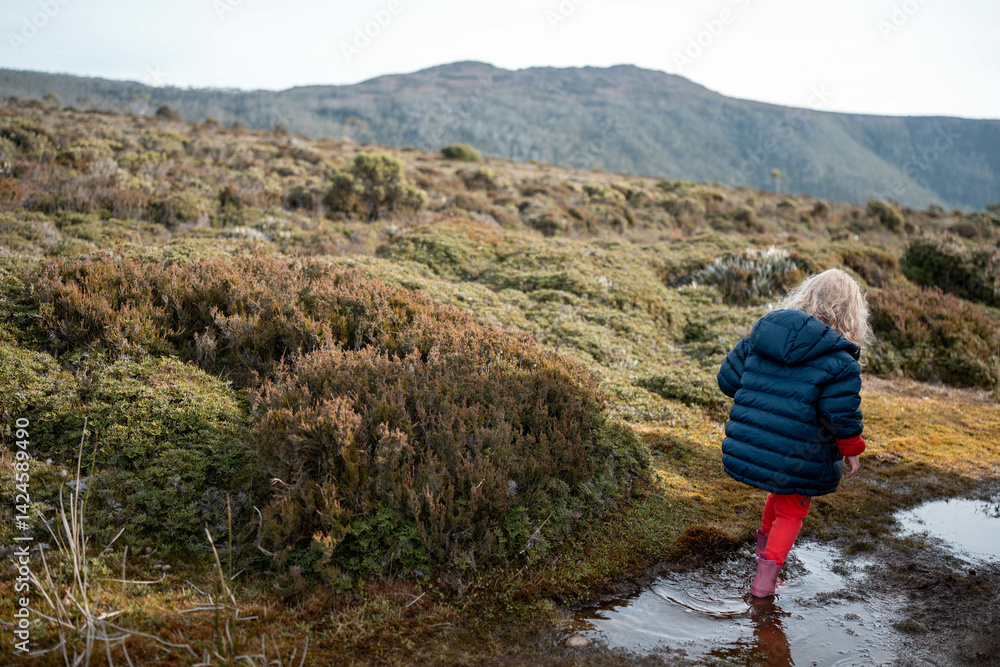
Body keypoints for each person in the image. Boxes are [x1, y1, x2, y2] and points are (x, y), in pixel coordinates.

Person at [716, 269, 873, 597]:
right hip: (801, 452)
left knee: (780, 492)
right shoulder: (840, 360)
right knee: (792, 508)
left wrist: (763, 399)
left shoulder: (764, 333)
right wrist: (852, 448)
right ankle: (764, 583)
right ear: (851, 312)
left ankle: (763, 557)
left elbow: (728, 381)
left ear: (806, 295)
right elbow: (838, 416)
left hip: (755, 442)